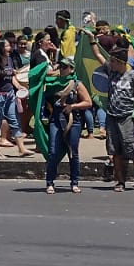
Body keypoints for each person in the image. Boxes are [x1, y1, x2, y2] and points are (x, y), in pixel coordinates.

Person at [42, 56, 92, 193]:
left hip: (73, 121)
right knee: (53, 151)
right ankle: (50, 182)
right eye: (60, 66)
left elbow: (88, 102)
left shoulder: (76, 84)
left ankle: (74, 182)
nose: (62, 69)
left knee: (73, 152)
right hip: (56, 119)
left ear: (72, 69)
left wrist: (73, 106)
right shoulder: (52, 83)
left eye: (65, 67)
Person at [103, 41, 134, 191]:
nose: (110, 63)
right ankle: (120, 181)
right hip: (112, 116)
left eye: (113, 61)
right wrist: (91, 40)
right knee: (115, 151)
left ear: (120, 62)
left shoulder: (133, 76)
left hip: (126, 117)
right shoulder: (111, 72)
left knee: (132, 150)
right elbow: (97, 55)